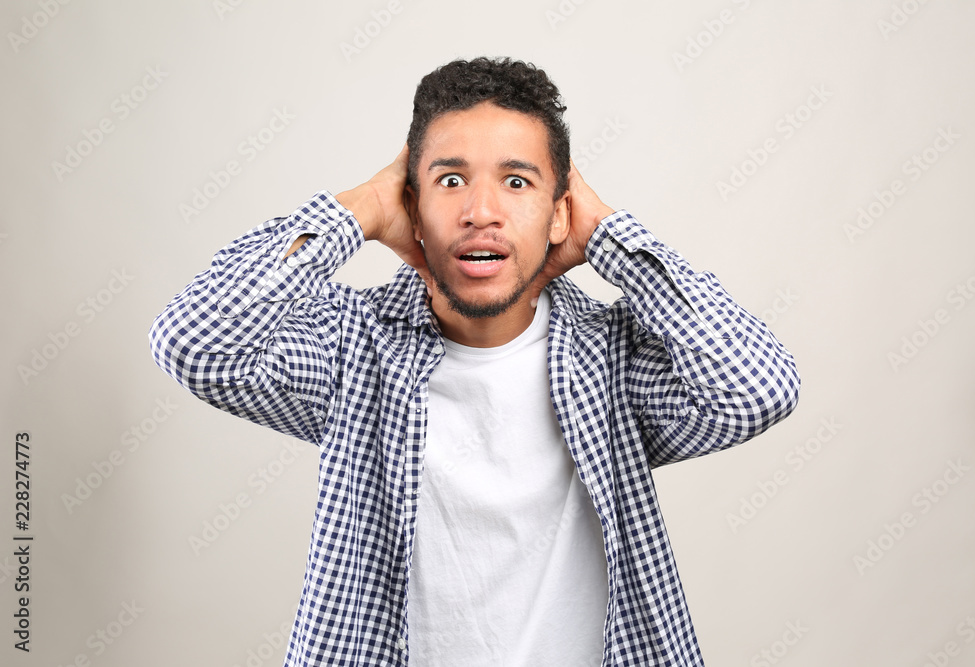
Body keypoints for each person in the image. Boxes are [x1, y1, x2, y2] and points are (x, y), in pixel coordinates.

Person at [150, 57, 800, 666]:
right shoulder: (351, 347)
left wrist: (608, 236)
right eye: (450, 180)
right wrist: (362, 209)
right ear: (415, 208)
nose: (481, 212)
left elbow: (757, 390)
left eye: (517, 182)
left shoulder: (612, 361)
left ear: (556, 214)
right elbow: (197, 342)